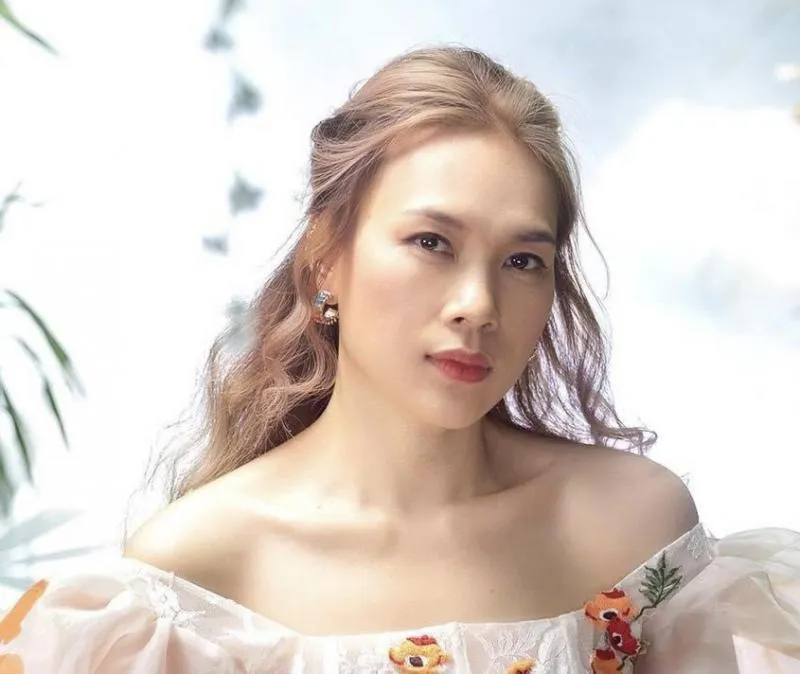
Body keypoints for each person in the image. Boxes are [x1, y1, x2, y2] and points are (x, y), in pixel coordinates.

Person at [1, 44, 798, 674]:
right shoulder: (192, 583)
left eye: (523, 260)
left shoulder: (634, 530)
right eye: (431, 243)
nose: (477, 305)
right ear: (325, 256)